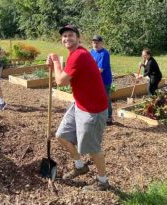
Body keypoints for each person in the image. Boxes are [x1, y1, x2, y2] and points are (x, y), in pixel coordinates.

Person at [46, 25, 110, 191]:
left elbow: (61, 81)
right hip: (79, 104)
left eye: (71, 35)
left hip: (93, 110)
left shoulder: (79, 55)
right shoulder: (75, 54)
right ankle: (80, 165)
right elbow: (65, 77)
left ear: (79, 39)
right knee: (62, 136)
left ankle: (103, 181)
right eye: (64, 36)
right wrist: (56, 64)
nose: (67, 38)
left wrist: (55, 62)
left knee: (92, 148)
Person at [90, 35, 113, 125]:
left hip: (104, 80)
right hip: (95, 80)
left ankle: (109, 117)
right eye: (94, 42)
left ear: (101, 43)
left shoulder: (104, 53)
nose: (95, 44)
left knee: (105, 98)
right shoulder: (92, 51)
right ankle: (97, 115)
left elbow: (100, 70)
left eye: (97, 43)